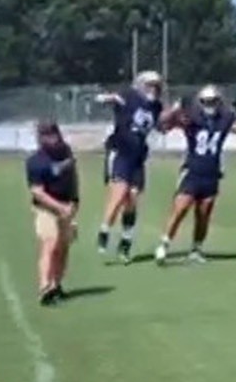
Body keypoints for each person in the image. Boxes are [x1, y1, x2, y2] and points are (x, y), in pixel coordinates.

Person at [152, 85, 236, 265]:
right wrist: (175, 108)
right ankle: (164, 244)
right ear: (200, 102)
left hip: (212, 173)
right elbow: (162, 124)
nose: (210, 105)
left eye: (213, 101)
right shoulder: (191, 118)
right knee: (180, 209)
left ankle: (196, 249)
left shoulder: (225, 118)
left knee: (203, 214)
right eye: (206, 102)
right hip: (192, 170)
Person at [92, 71, 165, 263]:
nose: (153, 89)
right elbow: (110, 99)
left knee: (132, 199)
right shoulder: (129, 96)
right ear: (141, 85)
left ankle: (126, 242)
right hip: (121, 152)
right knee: (119, 193)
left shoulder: (156, 106)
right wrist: (106, 98)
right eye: (150, 85)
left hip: (138, 157)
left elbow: (159, 126)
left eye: (156, 86)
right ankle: (104, 231)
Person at [26, 120, 79, 302]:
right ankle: (44, 286)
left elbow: (72, 177)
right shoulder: (36, 162)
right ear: (40, 138)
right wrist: (59, 207)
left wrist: (74, 202)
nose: (52, 138)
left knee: (63, 248)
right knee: (50, 242)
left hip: (67, 205)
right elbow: (37, 192)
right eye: (47, 135)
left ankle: (56, 285)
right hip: (46, 208)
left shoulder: (66, 152)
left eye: (53, 133)